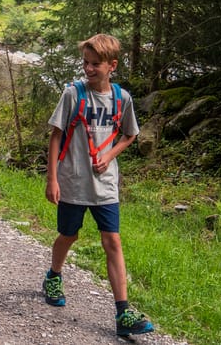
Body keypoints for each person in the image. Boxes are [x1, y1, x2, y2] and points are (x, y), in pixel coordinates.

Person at [41, 33, 153, 337]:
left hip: (105, 186)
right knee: (68, 235)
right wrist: (52, 178)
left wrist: (110, 155)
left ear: (112, 65)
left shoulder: (122, 98)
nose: (88, 69)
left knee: (112, 242)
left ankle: (122, 313)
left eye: (95, 64)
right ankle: (53, 275)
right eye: (85, 63)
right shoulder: (72, 94)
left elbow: (130, 135)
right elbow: (55, 135)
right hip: (72, 182)